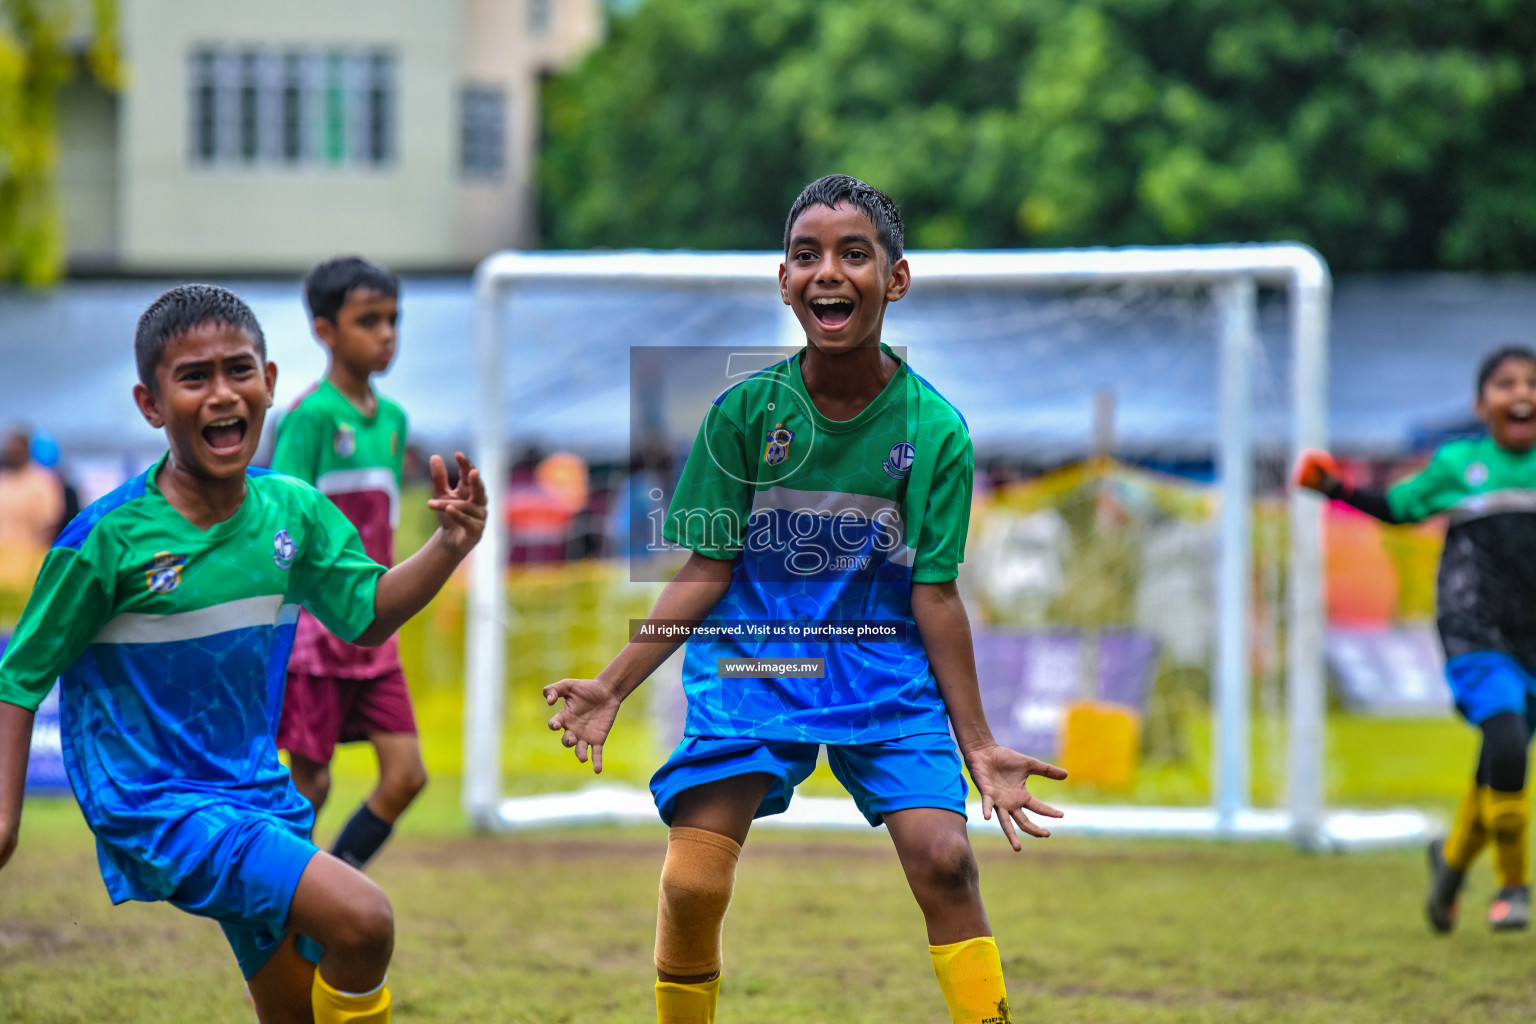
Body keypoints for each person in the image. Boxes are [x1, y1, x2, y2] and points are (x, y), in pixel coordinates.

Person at [544, 175, 1066, 1024]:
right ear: (784, 281)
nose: (829, 271)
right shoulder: (744, 414)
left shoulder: (936, 432)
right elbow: (705, 570)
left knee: (945, 860)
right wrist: (614, 683)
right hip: (757, 663)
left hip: (881, 673)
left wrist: (981, 746)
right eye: (806, 254)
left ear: (895, 279)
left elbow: (936, 597)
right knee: (691, 884)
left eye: (854, 254)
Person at [0, 284, 487, 1024]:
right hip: (156, 801)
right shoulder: (107, 540)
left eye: (239, 370)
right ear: (151, 404)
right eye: (194, 378)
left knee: (297, 1010)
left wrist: (449, 546)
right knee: (363, 919)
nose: (223, 393)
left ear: (270, 383)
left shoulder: (294, 512)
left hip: (255, 794)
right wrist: (5, 818)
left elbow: (368, 613)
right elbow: (19, 675)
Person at [1296, 344, 1536, 934]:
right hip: (1475, 631)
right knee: (1506, 745)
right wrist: (1334, 488)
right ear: (1482, 405)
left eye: (1532, 382)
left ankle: (1450, 869)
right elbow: (1398, 508)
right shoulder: (1459, 465)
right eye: (1506, 383)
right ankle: (1513, 886)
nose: (1522, 392)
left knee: (1496, 767)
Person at [270, 257, 425, 871]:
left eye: (392, 319)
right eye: (368, 320)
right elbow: (278, 524)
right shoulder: (307, 418)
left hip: (374, 627)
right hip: (316, 632)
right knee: (310, 787)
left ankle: (329, 891)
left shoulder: (394, 421)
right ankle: (283, 909)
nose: (386, 334)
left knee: (406, 776)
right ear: (325, 331)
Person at [0, 424, 65, 583]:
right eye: (11, 449)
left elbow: (50, 524)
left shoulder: (42, 482)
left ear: (27, 450)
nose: (13, 453)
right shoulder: (3, 480)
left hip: (30, 563)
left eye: (17, 449)